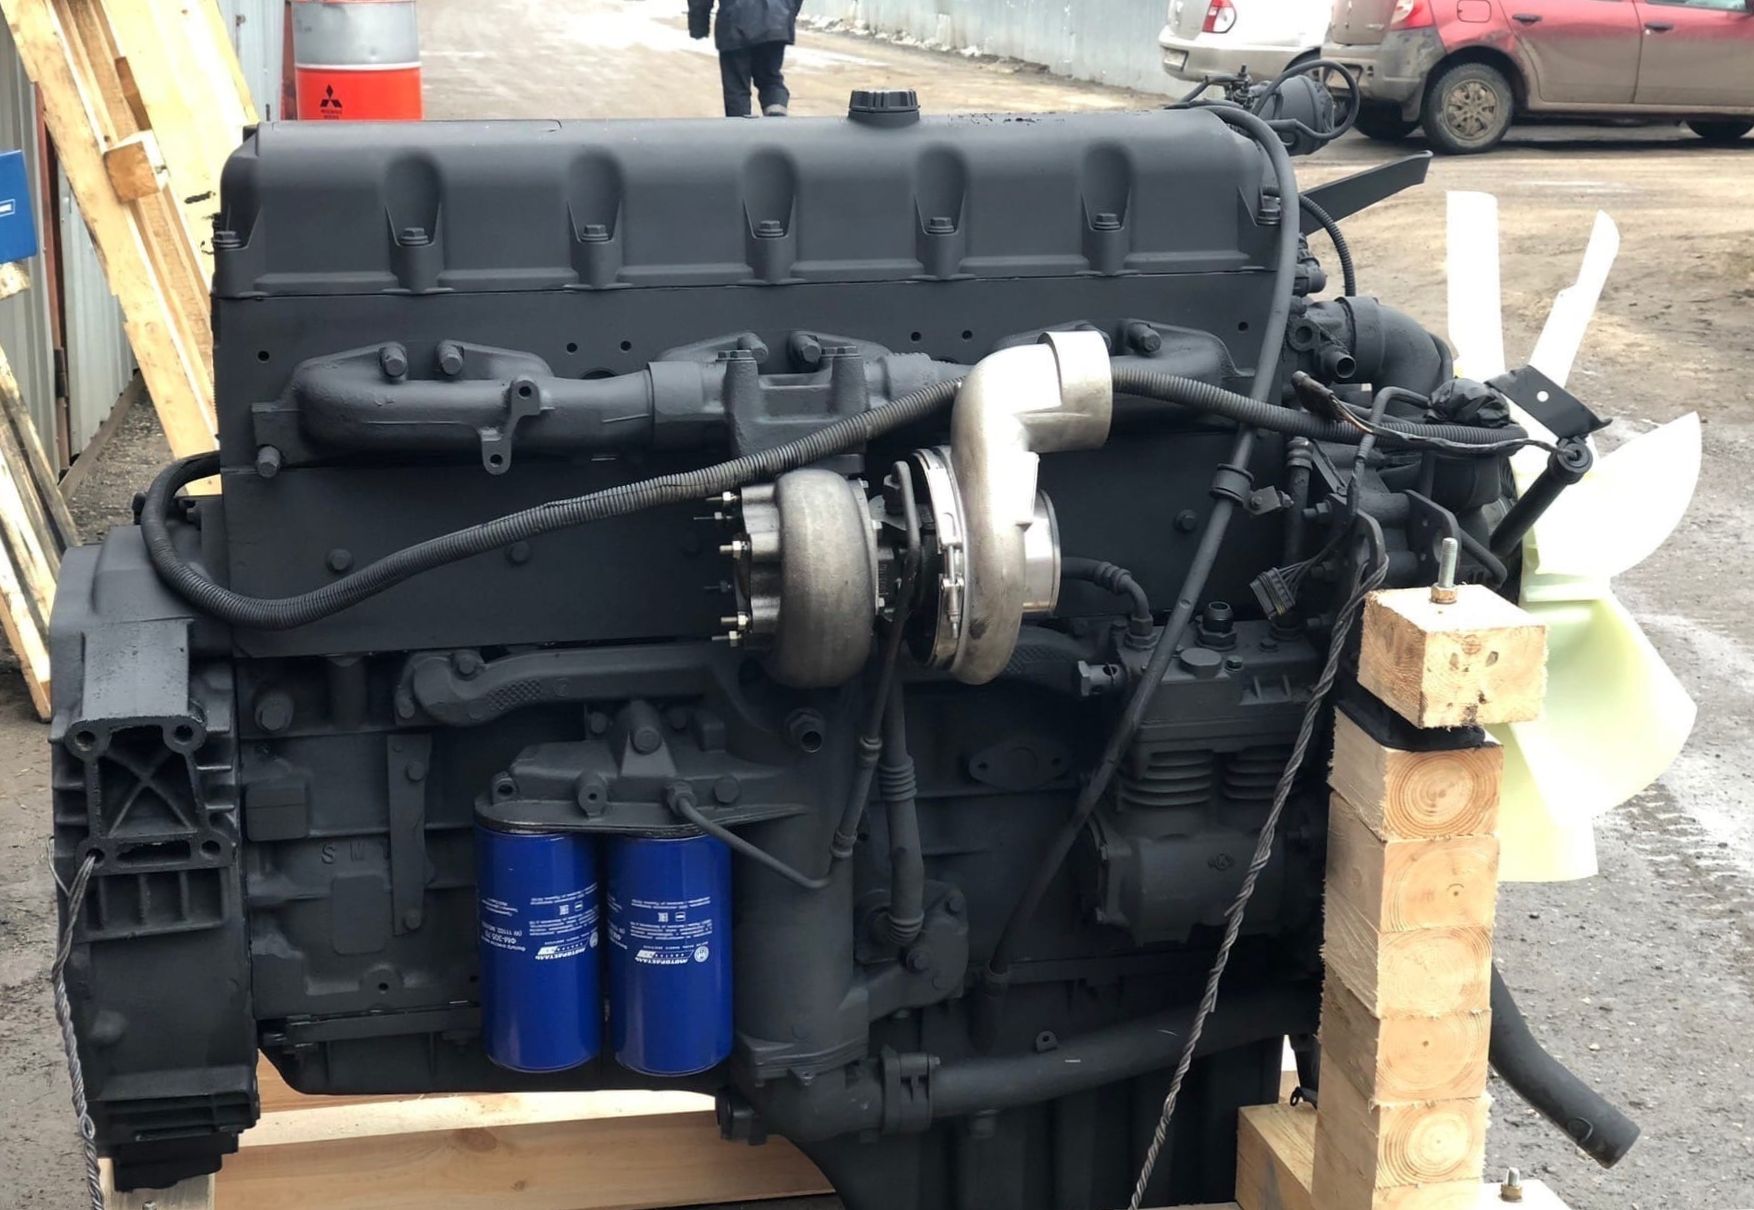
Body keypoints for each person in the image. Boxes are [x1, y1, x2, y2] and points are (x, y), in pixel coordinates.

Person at [688, 0, 803, 118]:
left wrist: (698, 26)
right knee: (770, 79)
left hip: (734, 21)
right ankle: (776, 115)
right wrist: (786, 16)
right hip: (776, 20)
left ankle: (740, 125)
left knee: (737, 84)